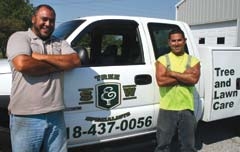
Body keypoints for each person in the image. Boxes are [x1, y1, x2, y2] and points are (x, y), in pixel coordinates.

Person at [7, 4, 80, 152]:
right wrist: (59, 64)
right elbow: (23, 64)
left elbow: (75, 61)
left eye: (52, 21)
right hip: (26, 116)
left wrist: (39, 57)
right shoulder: (20, 37)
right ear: (33, 19)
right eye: (44, 19)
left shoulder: (59, 42)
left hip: (56, 114)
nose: (48, 24)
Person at [154, 28, 200, 152]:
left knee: (188, 146)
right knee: (163, 145)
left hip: (186, 107)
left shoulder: (194, 61)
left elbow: (193, 80)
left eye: (179, 40)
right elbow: (161, 82)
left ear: (184, 41)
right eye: (173, 41)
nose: (176, 43)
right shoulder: (162, 60)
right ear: (169, 42)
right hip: (167, 108)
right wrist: (184, 75)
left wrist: (172, 73)